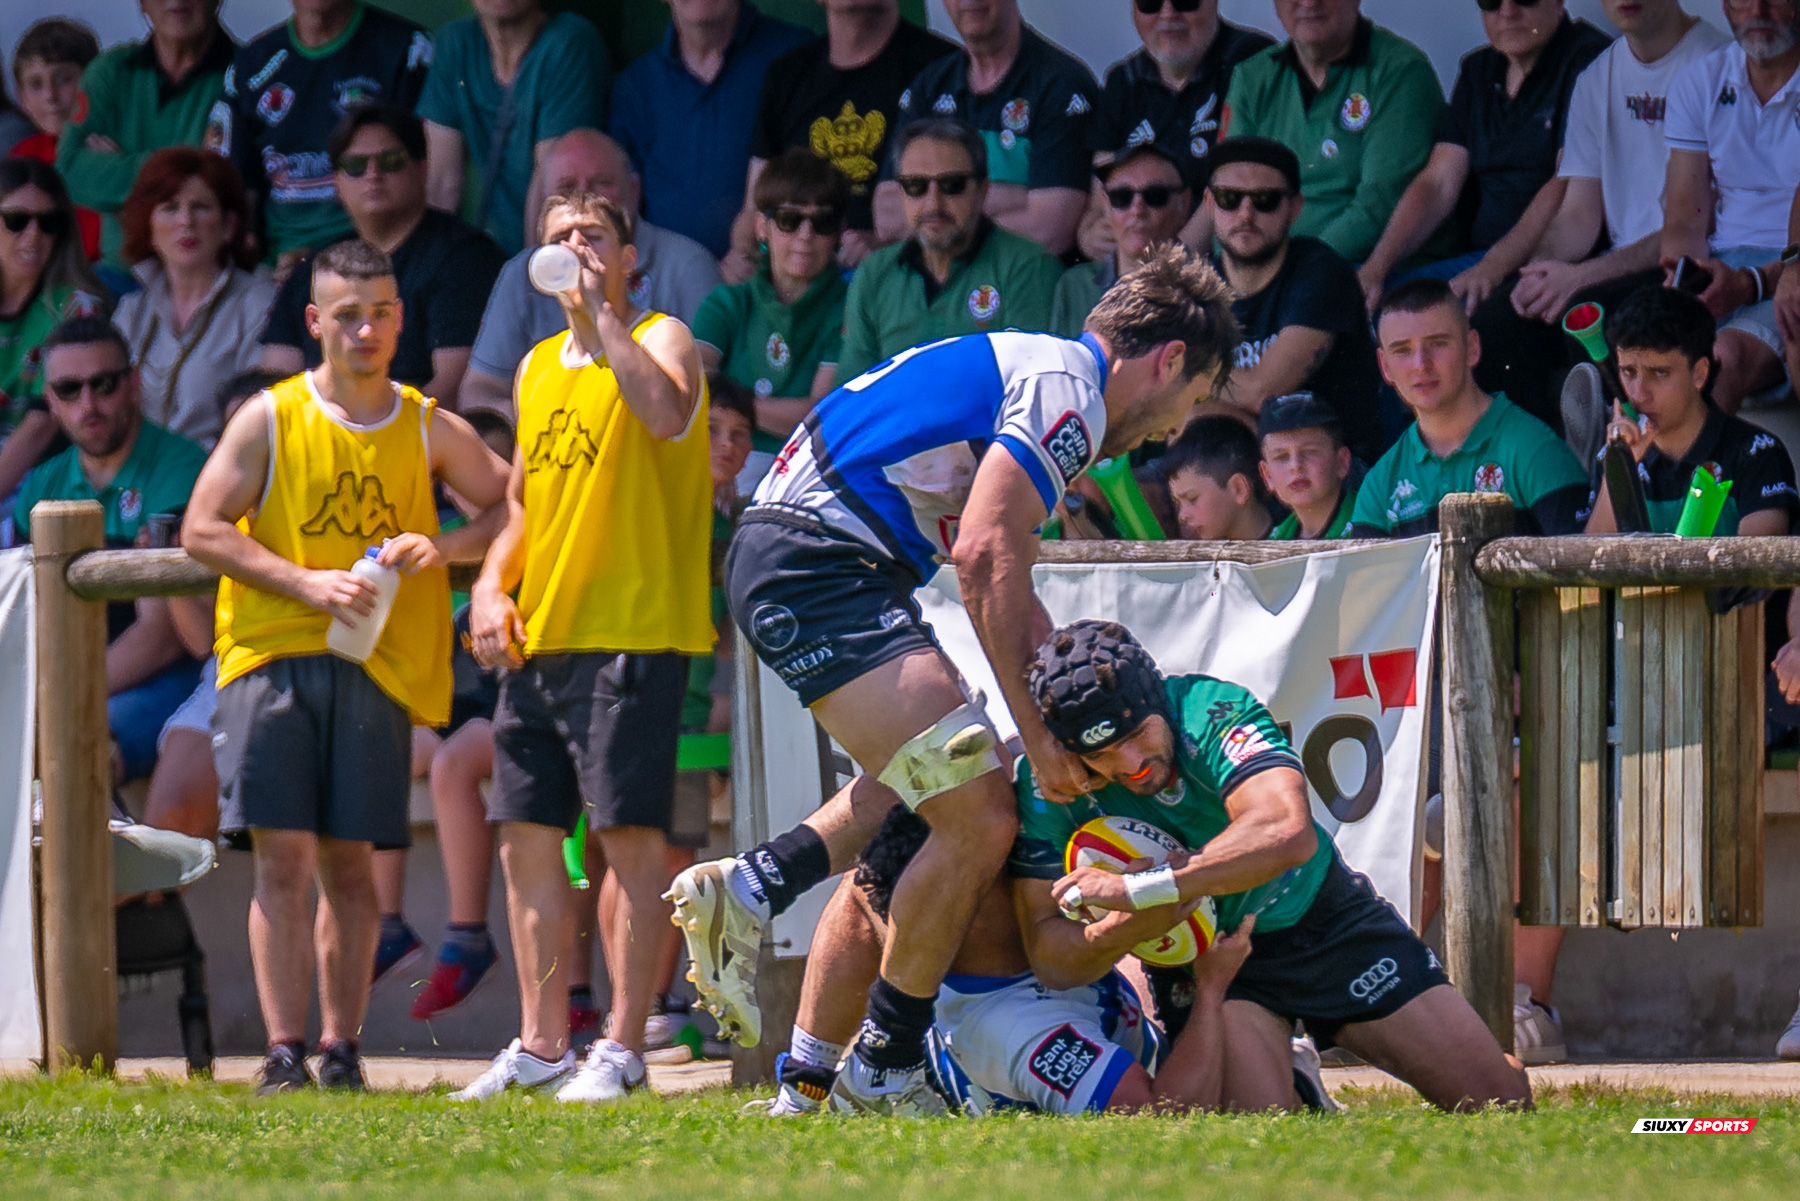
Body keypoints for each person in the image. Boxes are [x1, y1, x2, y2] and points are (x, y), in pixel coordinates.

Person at [667, 245, 1237, 1115]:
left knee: (943, 771)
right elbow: (982, 555)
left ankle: (753, 885)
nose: (1168, 432)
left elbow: (1006, 581)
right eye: (1190, 402)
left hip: (812, 558)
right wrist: (1045, 741)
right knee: (980, 812)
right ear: (1167, 362)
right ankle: (885, 1066)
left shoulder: (1039, 374)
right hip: (821, 565)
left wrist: (1044, 715)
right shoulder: (1070, 394)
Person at [181, 239, 509, 1094]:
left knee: (351, 865)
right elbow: (202, 529)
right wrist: (303, 582)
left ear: (402, 318)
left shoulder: (425, 421)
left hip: (378, 669)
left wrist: (447, 547)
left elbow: (518, 505)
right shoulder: (270, 415)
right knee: (281, 859)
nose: (366, 328)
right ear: (316, 321)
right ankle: (284, 1052)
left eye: (382, 311)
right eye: (349, 313)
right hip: (270, 657)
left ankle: (342, 1050)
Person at [1022, 622, 1531, 1112]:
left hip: (1322, 920)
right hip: (1216, 963)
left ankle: (1490, 1063)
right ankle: (1301, 1090)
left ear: (1158, 700)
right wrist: (1118, 931)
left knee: (1495, 1100)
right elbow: (1049, 959)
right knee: (1255, 1131)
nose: (1130, 762)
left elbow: (1287, 833)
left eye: (1138, 735)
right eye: (1103, 756)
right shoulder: (1051, 786)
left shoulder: (1208, 710)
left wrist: (1145, 888)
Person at [458, 191, 710, 1104]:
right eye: (561, 237)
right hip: (543, 637)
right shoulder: (531, 368)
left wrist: (603, 315)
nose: (576, 248)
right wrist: (491, 584)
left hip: (634, 630)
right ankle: (539, 1044)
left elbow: (668, 416)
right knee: (527, 839)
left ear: (629, 256)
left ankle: (624, 1044)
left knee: (628, 839)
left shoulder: (662, 334)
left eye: (593, 236)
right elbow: (521, 507)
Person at [752, 801, 1275, 1116]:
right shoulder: (1028, 1037)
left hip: (1063, 1011)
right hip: (1107, 1054)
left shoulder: (1002, 938)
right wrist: (1208, 990)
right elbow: (1158, 1113)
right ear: (971, 905)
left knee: (870, 876)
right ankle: (832, 1084)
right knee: (1241, 1022)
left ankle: (807, 1081)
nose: (1028, 859)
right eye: (1007, 862)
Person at [1486, 0, 1728, 419]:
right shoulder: (1597, 77)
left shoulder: (1721, 66)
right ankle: (1551, 470)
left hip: (1693, 266)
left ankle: (1617, 460)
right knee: (1498, 320)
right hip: (1618, 271)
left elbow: (1696, 224)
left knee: (1592, 321)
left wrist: (1580, 277)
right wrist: (1539, 275)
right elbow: (1578, 214)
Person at [13, 316, 208, 783]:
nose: (88, 403)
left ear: (134, 385)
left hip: (169, 674)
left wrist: (57, 696)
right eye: (68, 389)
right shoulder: (41, 484)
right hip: (69, 676)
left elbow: (163, 638)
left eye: (103, 384)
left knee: (79, 748)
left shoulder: (182, 468)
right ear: (51, 403)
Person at [1355, 0, 1609, 313]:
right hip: (1477, 261)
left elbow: (1566, 181)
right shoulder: (1478, 70)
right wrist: (1376, 267)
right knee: (1361, 299)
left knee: (1407, 315)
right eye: (1490, 1)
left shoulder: (1589, 60)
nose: (1507, 11)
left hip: (1548, 264)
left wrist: (1493, 266)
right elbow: (1437, 183)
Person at [461, 129, 722, 417]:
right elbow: (478, 392)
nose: (583, 195)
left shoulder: (684, 274)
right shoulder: (525, 293)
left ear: (633, 191)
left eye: (602, 183)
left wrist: (598, 306)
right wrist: (553, 421)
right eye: (567, 186)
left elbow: (693, 403)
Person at [260, 107, 505, 404]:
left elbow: (453, 388)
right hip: (320, 439)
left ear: (423, 169)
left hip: (422, 441)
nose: (373, 174)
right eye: (355, 165)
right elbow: (274, 382)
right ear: (337, 180)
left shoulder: (465, 257)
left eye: (390, 162)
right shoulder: (315, 266)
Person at [407, 411, 517, 1022]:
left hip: (517, 706)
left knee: (453, 763)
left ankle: (467, 933)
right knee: (384, 749)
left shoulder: (528, 535)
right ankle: (389, 923)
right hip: (457, 703)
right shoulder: (434, 539)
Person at [143, 368, 283, 843]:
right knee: (167, 833)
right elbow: (203, 641)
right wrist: (173, 567)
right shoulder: (212, 516)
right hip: (228, 672)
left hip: (319, 667)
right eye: (237, 428)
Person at [728, 0, 954, 276]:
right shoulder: (786, 76)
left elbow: (963, 203)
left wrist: (890, 244)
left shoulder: (944, 71)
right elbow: (754, 213)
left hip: (902, 284)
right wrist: (752, 254)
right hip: (802, 292)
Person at [1349, 278, 1589, 537]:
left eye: (1438, 344)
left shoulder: (1535, 450)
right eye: (1402, 350)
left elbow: (1579, 572)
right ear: (1385, 366)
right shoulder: (1378, 485)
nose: (1421, 364)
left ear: (1472, 348)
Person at [209, 0, 432, 272]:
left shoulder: (408, 51)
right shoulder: (251, 65)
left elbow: (432, 183)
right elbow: (229, 192)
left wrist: (324, 262)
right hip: (277, 271)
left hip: (382, 264)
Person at [1220, 0, 1446, 265]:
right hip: (1268, 270)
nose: (1309, 3)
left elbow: (1379, 204)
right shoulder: (1252, 76)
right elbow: (1228, 194)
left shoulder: (1401, 70)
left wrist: (1290, 274)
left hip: (1370, 270)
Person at [1655, 1, 1800, 412]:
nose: (1759, 11)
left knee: (1723, 357)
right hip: (1725, 263)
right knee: (1649, 340)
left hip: (1789, 265)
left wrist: (1753, 281)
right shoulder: (1701, 81)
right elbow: (1686, 217)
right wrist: (1687, 279)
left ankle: (1684, 473)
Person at [1203, 137, 1384, 466]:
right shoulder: (1193, 288)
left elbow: (1262, 391)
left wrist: (1181, 379)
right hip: (1224, 465)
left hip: (1329, 473)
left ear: (1295, 208)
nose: (1246, 213)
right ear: (1209, 203)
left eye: (1266, 200)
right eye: (1229, 198)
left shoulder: (1322, 273)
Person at [837, 119, 1062, 381]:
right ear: (900, 193)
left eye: (952, 185)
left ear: (982, 191)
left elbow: (1034, 393)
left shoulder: (1030, 268)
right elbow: (851, 393)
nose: (933, 203)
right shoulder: (873, 273)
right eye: (916, 186)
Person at [609, 0, 811, 263]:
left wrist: (756, 255)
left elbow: (817, 189)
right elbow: (620, 215)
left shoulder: (795, 55)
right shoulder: (635, 88)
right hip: (670, 289)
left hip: (770, 281)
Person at [1585, 287, 1797, 537]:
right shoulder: (1612, 455)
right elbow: (1590, 566)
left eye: (1659, 374)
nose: (1639, 393)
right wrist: (1621, 471)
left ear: (1699, 373)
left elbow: (1759, 568)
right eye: (1628, 372)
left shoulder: (1757, 453)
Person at [891, 0, 1097, 257]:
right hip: (936, 286)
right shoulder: (929, 86)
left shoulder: (1062, 84)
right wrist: (1015, 198)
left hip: (1024, 286)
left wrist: (939, 219)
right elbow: (888, 214)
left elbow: (1051, 231)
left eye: (952, 185)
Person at [1082, 0, 1274, 259]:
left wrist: (1173, 262)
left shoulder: (1252, 61)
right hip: (1144, 259)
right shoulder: (1122, 81)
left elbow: (1236, 179)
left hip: (1224, 259)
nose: (1168, 14)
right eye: (1150, 4)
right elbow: (1101, 193)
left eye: (1185, 2)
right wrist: (1090, 233)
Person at [418, 0, 611, 257]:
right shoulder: (455, 42)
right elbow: (441, 185)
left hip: (551, 257)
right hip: (481, 259)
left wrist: (530, 282)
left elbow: (551, 186)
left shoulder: (569, 41)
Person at [112, 148, 275, 448]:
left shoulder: (258, 303)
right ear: (148, 227)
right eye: (170, 207)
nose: (186, 221)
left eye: (200, 207)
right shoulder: (130, 312)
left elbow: (258, 423)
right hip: (137, 480)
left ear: (229, 226)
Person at [57, 0, 235, 273]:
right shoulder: (110, 72)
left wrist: (121, 181)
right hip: (122, 276)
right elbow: (68, 170)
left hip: (212, 276)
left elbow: (225, 187)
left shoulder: (247, 73)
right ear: (141, 4)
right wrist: (186, 168)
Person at [693, 149, 848, 458]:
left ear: (839, 231)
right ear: (762, 227)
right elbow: (694, 387)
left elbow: (820, 417)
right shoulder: (727, 303)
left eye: (823, 222)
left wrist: (731, 399)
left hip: (808, 473)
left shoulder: (850, 309)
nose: (806, 235)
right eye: (790, 220)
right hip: (724, 468)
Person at [0, 157, 109, 508]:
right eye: (17, 221)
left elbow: (41, 426)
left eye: (48, 223)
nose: (34, 235)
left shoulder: (76, 309)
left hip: (37, 486)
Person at [1051, 143, 1192, 338]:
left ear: (1183, 205)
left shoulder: (1206, 291)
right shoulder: (1074, 286)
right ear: (1105, 206)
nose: (1137, 210)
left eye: (1154, 196)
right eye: (1121, 197)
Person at [1258, 391, 1356, 540]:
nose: (1295, 466)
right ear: (1267, 475)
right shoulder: (1275, 542)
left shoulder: (1369, 522)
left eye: (1310, 452)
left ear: (1342, 462)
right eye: (1281, 457)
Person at [1160, 414, 1274, 540]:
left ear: (1239, 489)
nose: (1182, 516)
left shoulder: (1295, 540)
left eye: (1192, 499)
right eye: (1178, 504)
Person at [7, 20, 99, 163]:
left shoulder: (121, 146)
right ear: (21, 97)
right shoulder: (22, 158)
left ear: (93, 81)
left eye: (65, 80)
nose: (50, 95)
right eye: (36, 85)